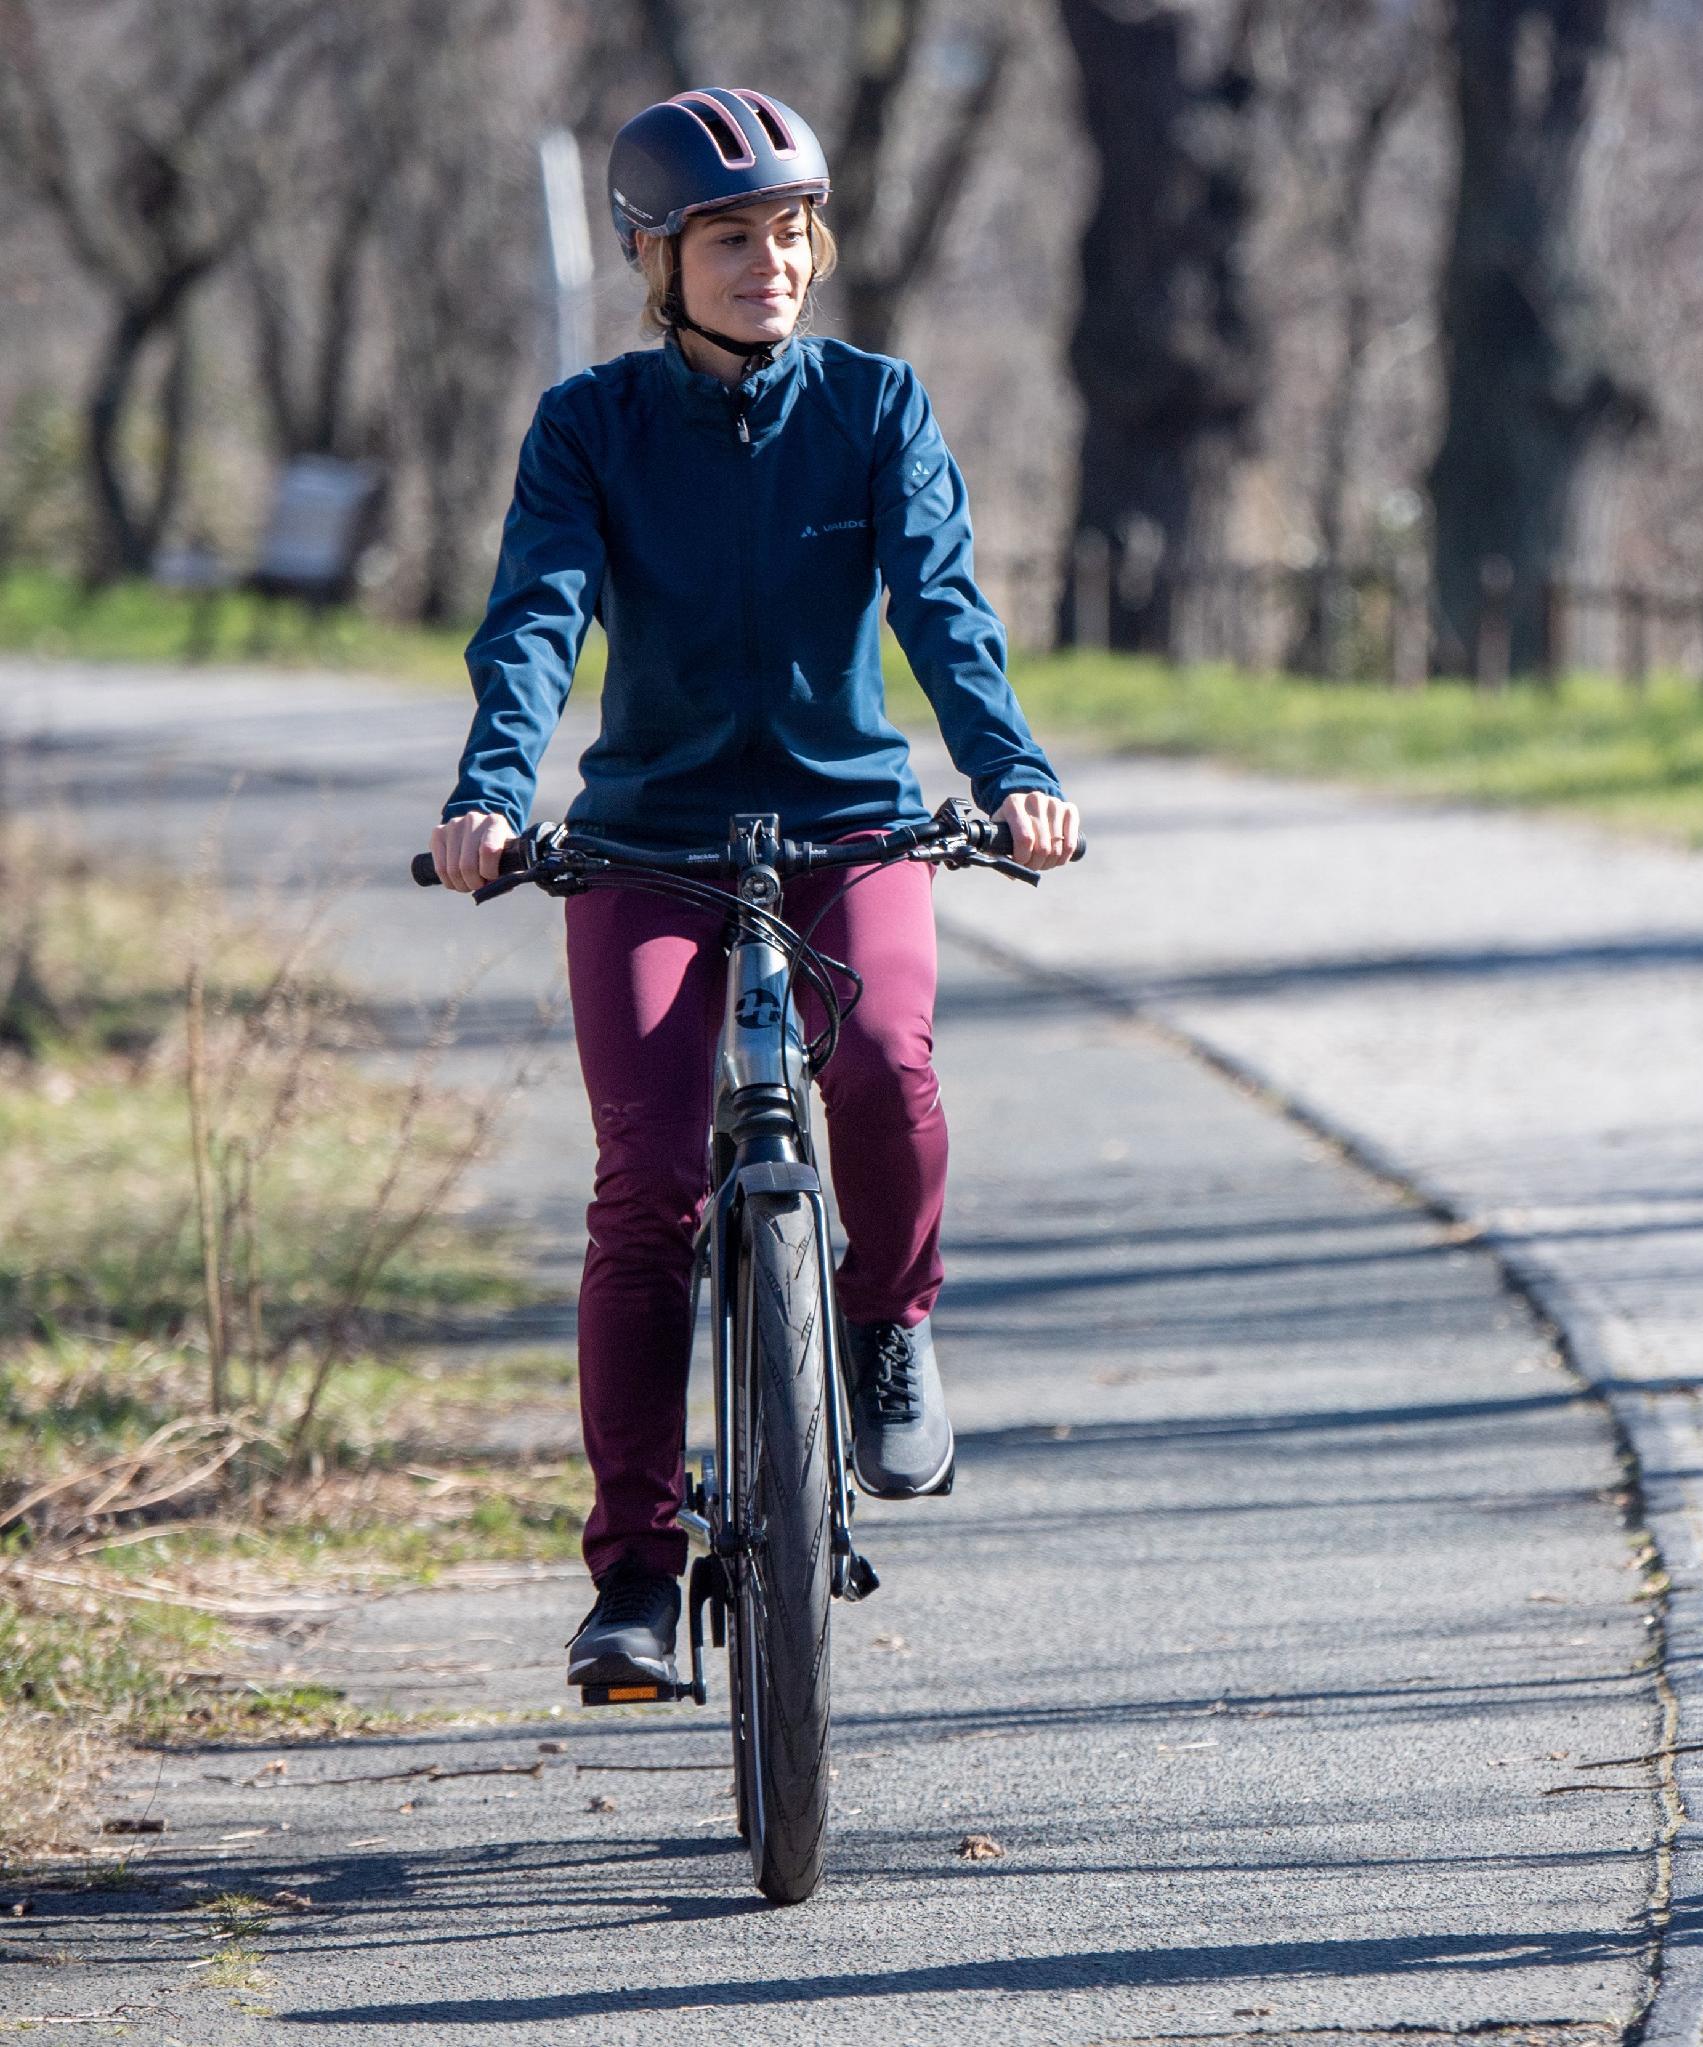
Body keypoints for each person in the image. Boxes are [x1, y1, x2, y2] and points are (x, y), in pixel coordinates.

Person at [427, 87, 1080, 1694]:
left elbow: (942, 605)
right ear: (657, 259)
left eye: (790, 231)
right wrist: (493, 796)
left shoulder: (876, 407)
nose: (770, 262)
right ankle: (636, 1572)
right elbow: (537, 619)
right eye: (731, 238)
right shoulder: (590, 425)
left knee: (886, 1065)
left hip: (846, 817)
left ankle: (883, 1322)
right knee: (646, 1178)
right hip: (647, 836)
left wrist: (1009, 769)